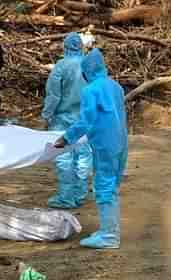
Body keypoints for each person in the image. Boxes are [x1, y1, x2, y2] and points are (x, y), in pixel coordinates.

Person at [54, 49, 128, 249]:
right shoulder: (116, 86)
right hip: (121, 141)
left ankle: (110, 236)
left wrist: (66, 138)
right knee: (111, 186)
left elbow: (86, 120)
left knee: (104, 188)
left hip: (104, 143)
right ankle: (108, 229)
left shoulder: (91, 90)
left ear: (87, 71)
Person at [42, 32, 92, 209]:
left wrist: (47, 115)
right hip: (86, 119)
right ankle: (80, 195)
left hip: (62, 119)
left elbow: (53, 95)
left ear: (65, 47)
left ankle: (66, 197)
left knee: (63, 156)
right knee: (84, 155)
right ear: (81, 47)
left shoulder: (61, 66)